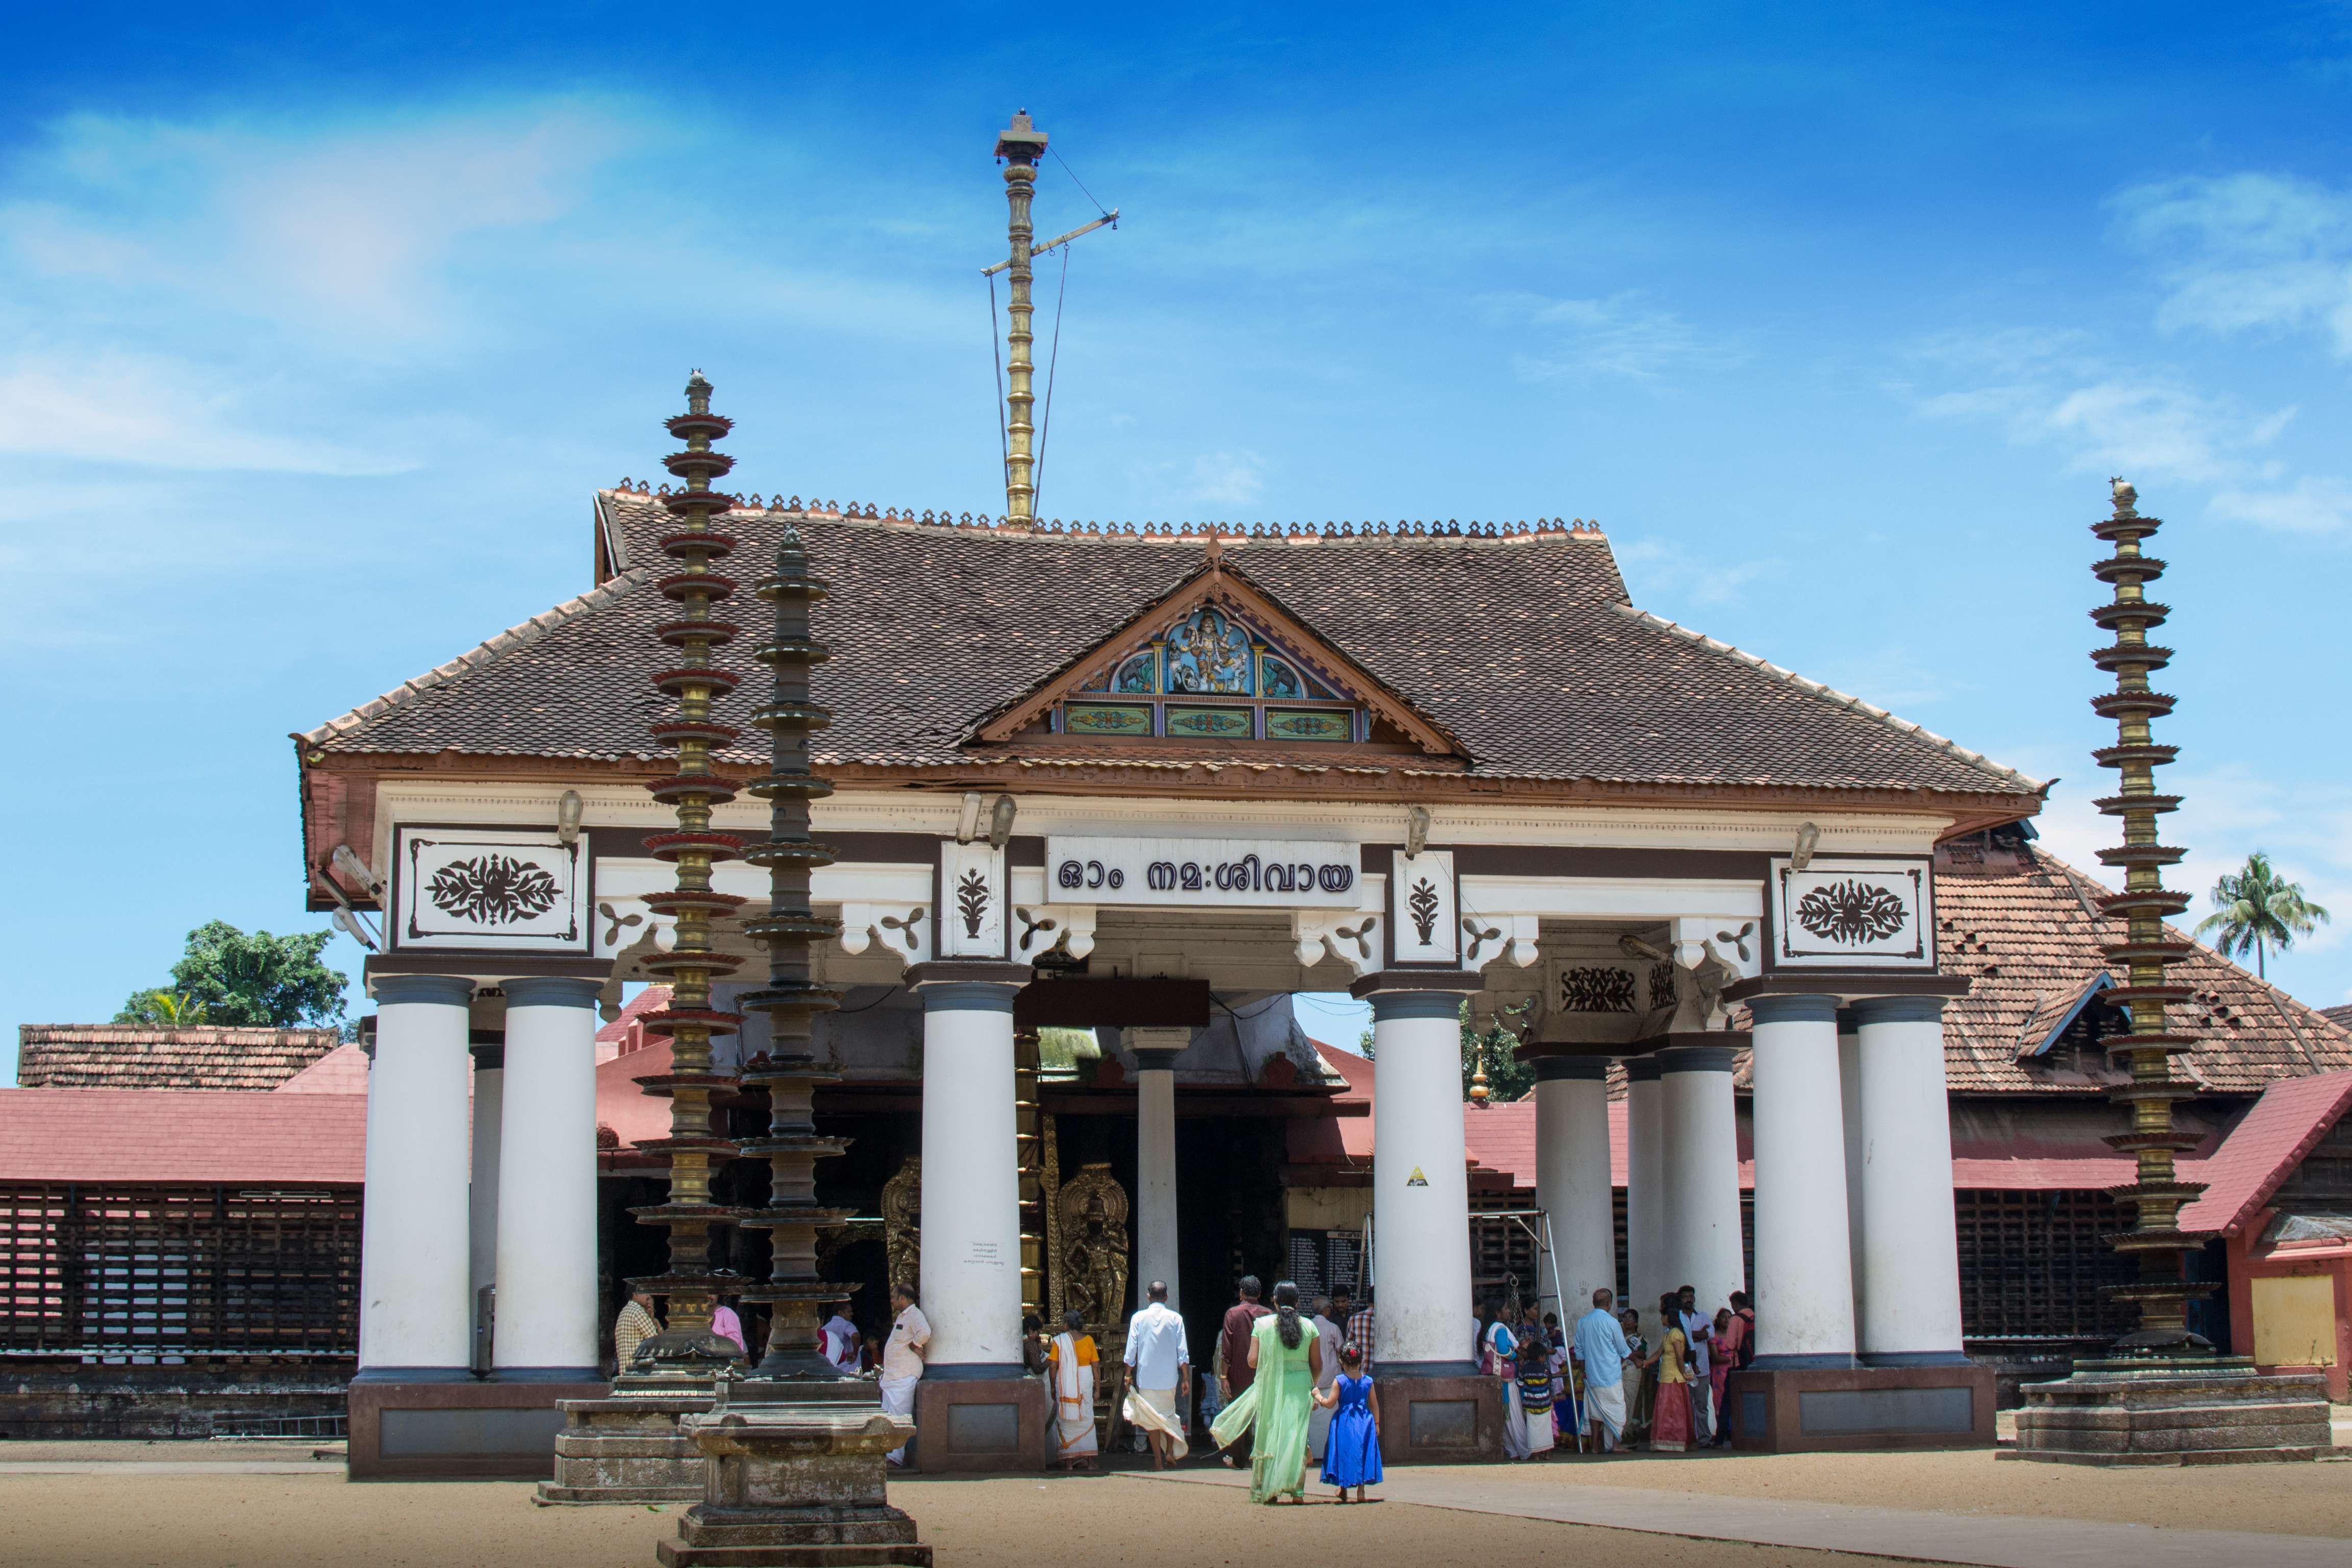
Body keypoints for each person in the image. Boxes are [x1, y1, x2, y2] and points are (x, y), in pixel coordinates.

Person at [1209, 1280, 1322, 1503]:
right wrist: (1311, 1384)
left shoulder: (1263, 1325)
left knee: (1269, 1431)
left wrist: (1272, 1363)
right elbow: (1317, 1365)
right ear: (1298, 1301)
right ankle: (1297, 1492)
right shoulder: (1310, 1327)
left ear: (1274, 1300)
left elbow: (1252, 1361)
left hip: (1270, 1385)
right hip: (1300, 1386)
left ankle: (1266, 1489)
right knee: (1295, 1436)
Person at [1122, 1280, 1191, 1468]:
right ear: (1167, 1297)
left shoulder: (1138, 1318)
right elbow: (1182, 1352)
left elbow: (1131, 1350)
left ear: (1148, 1296)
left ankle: (1158, 1461)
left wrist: (1128, 1374)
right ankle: (1169, 1451)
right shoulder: (1176, 1318)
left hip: (1147, 1377)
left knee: (1151, 1419)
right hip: (1169, 1377)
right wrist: (1186, 1378)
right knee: (1169, 1414)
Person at [1214, 1275, 1271, 1467]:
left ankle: (1239, 1459)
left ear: (1241, 1293)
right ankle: (1263, 1457)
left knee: (1239, 1416)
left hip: (1238, 1375)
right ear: (1260, 1293)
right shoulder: (1269, 1314)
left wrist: (1224, 1376)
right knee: (1264, 1417)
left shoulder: (1233, 1314)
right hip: (1264, 1374)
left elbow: (1226, 1348)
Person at [1315, 1343, 1383, 1502]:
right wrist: (1377, 1423)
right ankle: (1361, 1492)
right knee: (1362, 1453)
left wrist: (1318, 1396)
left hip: (1344, 1422)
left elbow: (1330, 1403)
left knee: (1344, 1453)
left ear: (1342, 1363)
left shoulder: (1339, 1381)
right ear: (1361, 1362)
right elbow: (1374, 1404)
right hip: (1365, 1421)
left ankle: (1343, 1488)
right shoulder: (1368, 1381)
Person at [1572, 1288, 1633, 1453]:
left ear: (1593, 1303)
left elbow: (1579, 1351)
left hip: (1592, 1375)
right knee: (1617, 1409)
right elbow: (1624, 1350)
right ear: (1609, 1303)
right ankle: (1616, 1445)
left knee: (1595, 1411)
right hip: (1611, 1375)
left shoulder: (1583, 1322)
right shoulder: (1612, 1323)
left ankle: (1594, 1447)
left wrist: (1585, 1371)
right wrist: (1638, 1361)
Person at [879, 1282, 928, 1467]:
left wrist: (915, 1345)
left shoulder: (915, 1315)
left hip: (904, 1376)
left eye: (894, 1296)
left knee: (899, 1417)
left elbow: (925, 1332)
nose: (891, 1300)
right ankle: (887, 1456)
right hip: (893, 1377)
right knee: (888, 1417)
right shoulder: (903, 1316)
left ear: (903, 1298)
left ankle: (895, 1459)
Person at [1047, 1309, 1100, 1469]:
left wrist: (1052, 1386)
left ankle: (1069, 1462)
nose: (1062, 1325)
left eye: (1063, 1322)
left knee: (1066, 1420)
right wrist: (1098, 1388)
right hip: (1085, 1379)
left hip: (1065, 1380)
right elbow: (1096, 1366)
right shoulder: (1089, 1340)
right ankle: (1090, 1462)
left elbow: (1052, 1365)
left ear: (1067, 1325)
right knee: (1087, 1418)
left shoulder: (1059, 1341)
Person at [1479, 1297, 1528, 1460]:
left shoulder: (1488, 1329)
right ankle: (1524, 1451)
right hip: (1505, 1378)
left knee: (1505, 1418)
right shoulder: (1500, 1329)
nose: (1509, 1311)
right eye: (1506, 1308)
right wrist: (1517, 1356)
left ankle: (1512, 1451)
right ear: (1498, 1313)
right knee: (1514, 1416)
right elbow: (1503, 1350)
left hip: (1492, 1375)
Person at [1649, 1291, 1695, 1453]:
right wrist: (1646, 1363)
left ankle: (1674, 1440)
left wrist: (1684, 1373)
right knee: (1668, 1410)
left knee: (1673, 1411)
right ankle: (1667, 1441)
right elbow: (1658, 1353)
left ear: (1668, 1317)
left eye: (1663, 1316)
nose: (1661, 1319)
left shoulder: (1675, 1333)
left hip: (1674, 1377)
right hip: (1667, 1376)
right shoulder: (1669, 1334)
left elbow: (1679, 1356)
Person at [1676, 1284, 1716, 1448]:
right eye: (1685, 1297)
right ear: (1681, 1299)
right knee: (1685, 1405)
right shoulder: (1677, 1317)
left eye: (1691, 1297)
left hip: (1701, 1366)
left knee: (1701, 1405)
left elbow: (1710, 1334)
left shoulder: (1703, 1316)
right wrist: (1698, 1334)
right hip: (1683, 1367)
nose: (1689, 1299)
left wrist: (1689, 1334)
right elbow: (1676, 1337)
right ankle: (1688, 1438)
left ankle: (1704, 1439)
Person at [1307, 1294, 1343, 1462]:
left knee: (1311, 1422)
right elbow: (1342, 1351)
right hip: (1330, 1380)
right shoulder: (1333, 1328)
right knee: (1328, 1420)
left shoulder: (1306, 1326)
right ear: (1326, 1310)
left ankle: (1311, 1453)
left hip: (1310, 1381)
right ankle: (1327, 1453)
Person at [1619, 1308, 1654, 1446]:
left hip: (1632, 1373)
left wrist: (1628, 1353)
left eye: (1630, 1318)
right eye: (1625, 1318)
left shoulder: (1640, 1339)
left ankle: (1629, 1435)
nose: (1627, 1320)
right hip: (1618, 1373)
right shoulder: (1619, 1338)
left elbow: (1640, 1354)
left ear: (1636, 1322)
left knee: (1631, 1403)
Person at [614, 1289, 662, 1373]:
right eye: (645, 1293)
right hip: (637, 1372)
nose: (648, 1297)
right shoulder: (638, 1312)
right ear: (636, 1295)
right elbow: (655, 1342)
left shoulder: (624, 1312)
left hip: (625, 1372)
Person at [1709, 1306, 1737, 1443]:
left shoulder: (1735, 1335)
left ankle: (1733, 1429)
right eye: (1723, 1317)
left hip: (1733, 1370)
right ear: (1718, 1319)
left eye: (1729, 1317)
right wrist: (1731, 1358)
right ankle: (1723, 1431)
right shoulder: (1714, 1337)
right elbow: (1715, 1358)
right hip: (1720, 1372)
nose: (1727, 1320)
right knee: (1720, 1400)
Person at [818, 1301, 860, 1373]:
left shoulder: (826, 1328)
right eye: (849, 1312)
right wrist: (855, 1353)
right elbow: (855, 1335)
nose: (852, 1314)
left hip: (832, 1368)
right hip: (849, 1368)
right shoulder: (847, 1325)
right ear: (841, 1313)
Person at [1343, 1288, 1376, 1371]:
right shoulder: (1385, 1319)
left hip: (1358, 1373)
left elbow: (1347, 1346)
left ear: (1368, 1301)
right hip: (1378, 1372)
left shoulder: (1354, 1318)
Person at [1729, 1290, 1757, 1368]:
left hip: (1741, 1361)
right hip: (1756, 1358)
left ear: (1735, 1304)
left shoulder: (1735, 1319)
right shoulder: (1755, 1316)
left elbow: (1730, 1345)